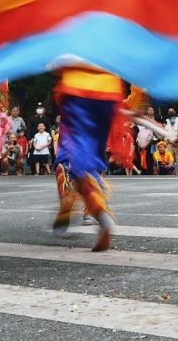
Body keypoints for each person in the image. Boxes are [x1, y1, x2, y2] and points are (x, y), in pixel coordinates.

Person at [50, 65, 123, 251]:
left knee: (70, 156)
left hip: (78, 92)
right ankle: (98, 213)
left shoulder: (71, 36)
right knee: (91, 161)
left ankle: (81, 203)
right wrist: (137, 101)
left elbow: (54, 61)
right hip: (109, 93)